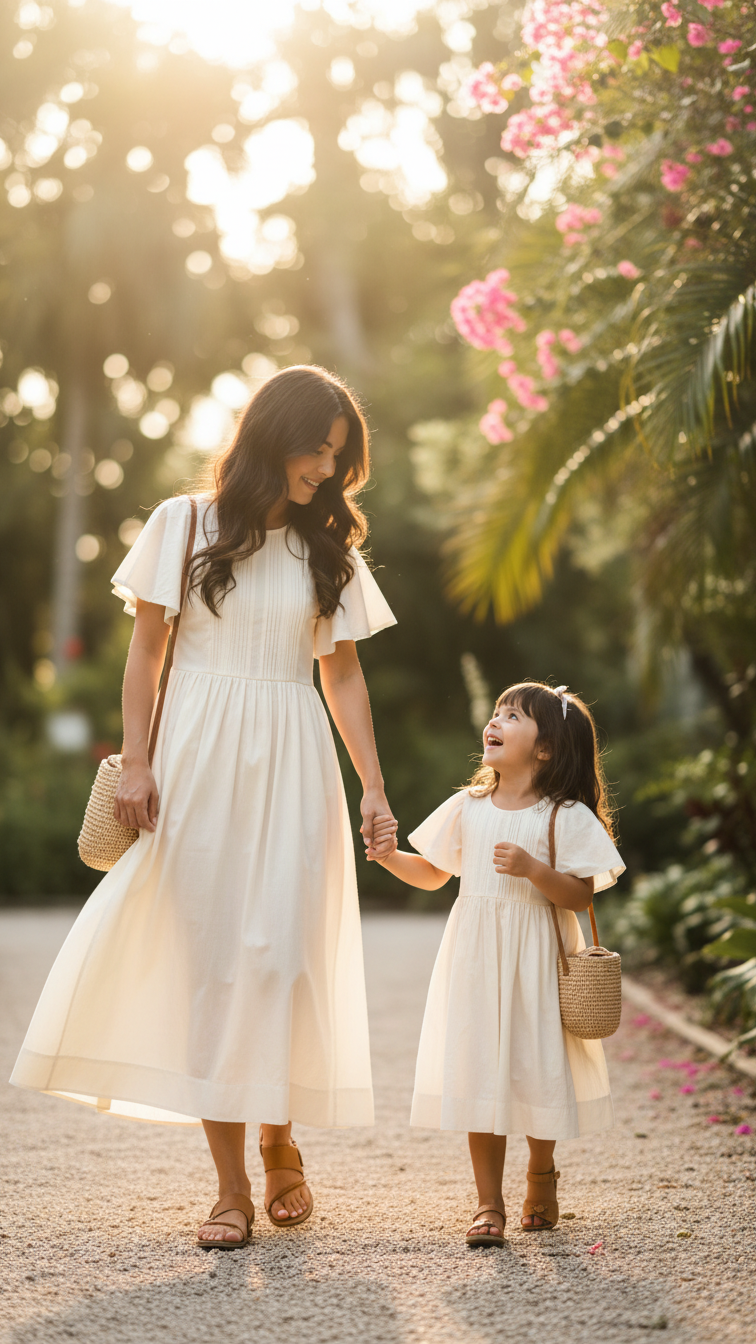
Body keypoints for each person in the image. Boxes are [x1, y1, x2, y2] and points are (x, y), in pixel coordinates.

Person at [11, 365, 397, 1249]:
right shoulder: (179, 524)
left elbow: (341, 673)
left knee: (281, 955)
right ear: (274, 434)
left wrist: (373, 787)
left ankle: (281, 1139)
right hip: (196, 756)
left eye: (340, 458)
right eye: (318, 450)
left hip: (294, 757)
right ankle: (231, 1189)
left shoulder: (326, 548)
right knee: (215, 959)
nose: (327, 471)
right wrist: (136, 761)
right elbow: (146, 654)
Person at [369, 680, 624, 1247]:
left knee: (536, 1067)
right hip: (479, 958)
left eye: (514, 716)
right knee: (479, 1069)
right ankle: (488, 1202)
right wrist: (389, 858)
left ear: (546, 749)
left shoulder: (565, 814)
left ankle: (540, 1173)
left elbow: (580, 897)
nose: (497, 721)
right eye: (498, 711)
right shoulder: (469, 805)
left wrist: (534, 868)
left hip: (537, 958)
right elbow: (434, 873)